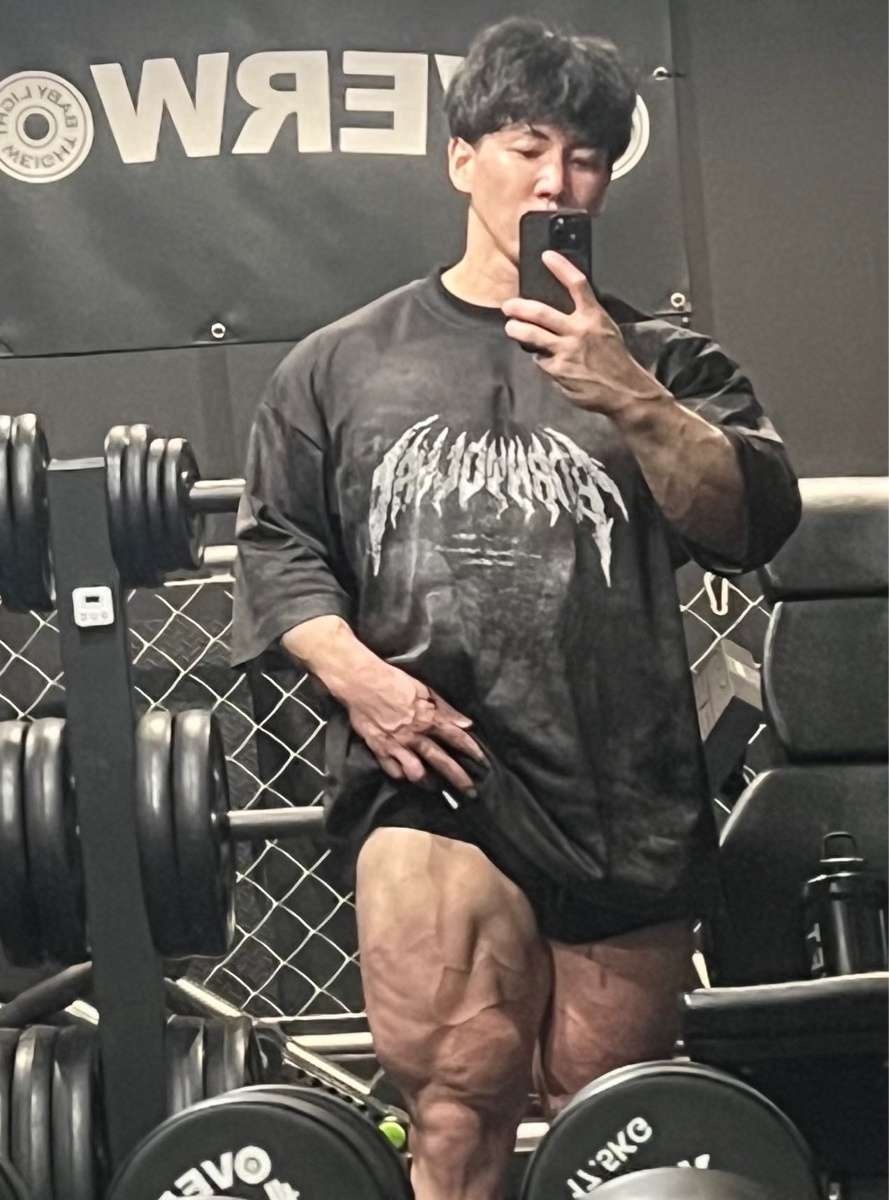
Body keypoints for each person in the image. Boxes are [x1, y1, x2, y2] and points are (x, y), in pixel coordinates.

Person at [232, 16, 801, 1199]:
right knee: (455, 1108)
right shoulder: (339, 365)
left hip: (621, 783)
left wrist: (629, 394)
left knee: (612, 1125)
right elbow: (279, 544)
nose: (554, 181)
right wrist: (363, 682)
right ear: (461, 157)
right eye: (525, 146)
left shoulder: (668, 362)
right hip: (432, 773)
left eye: (584, 157)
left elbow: (748, 523)